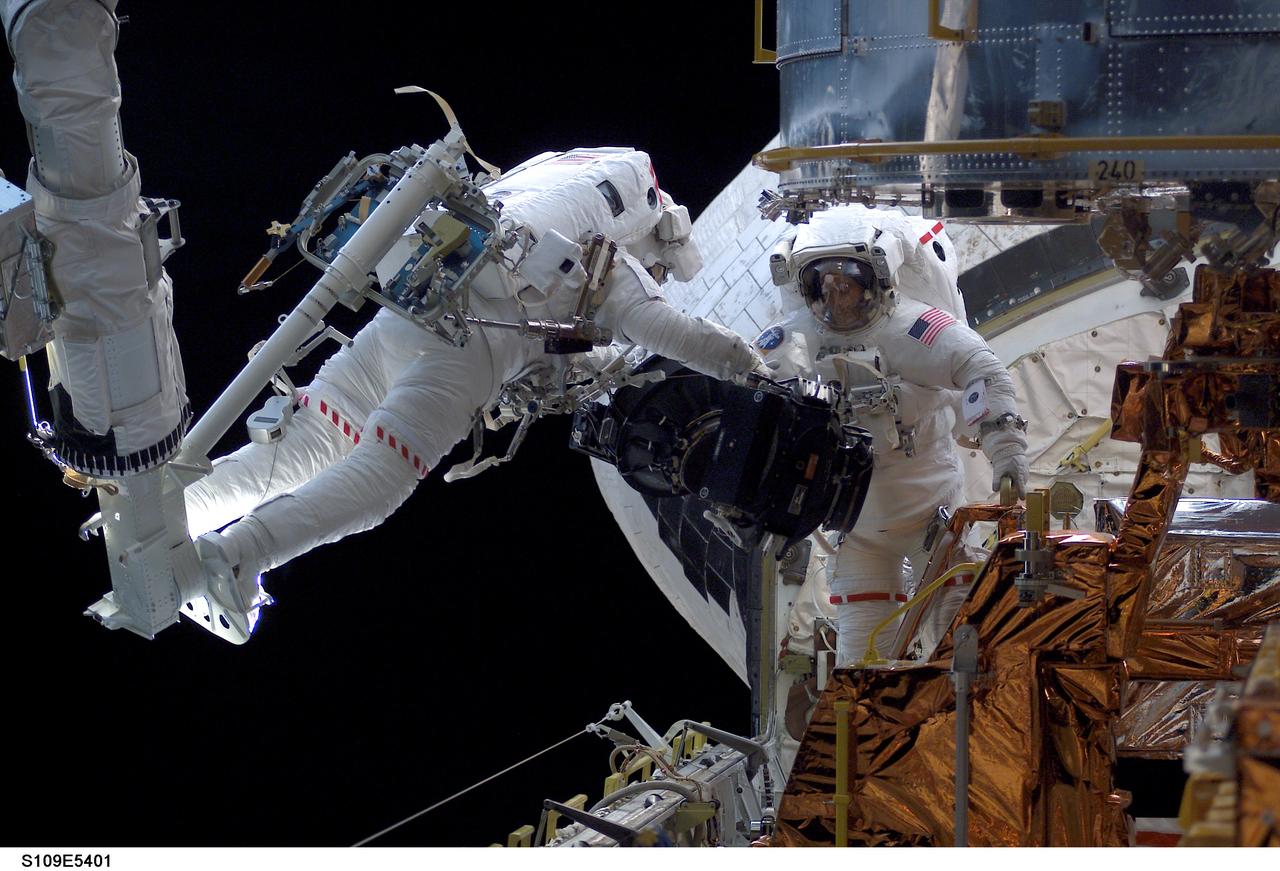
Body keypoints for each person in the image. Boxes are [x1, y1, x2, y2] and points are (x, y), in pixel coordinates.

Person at [182, 147, 760, 639]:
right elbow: (671, 332)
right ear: (658, 235)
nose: (655, 276)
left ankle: (177, 510)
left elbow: (562, 350)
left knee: (309, 441)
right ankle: (240, 555)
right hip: (458, 354)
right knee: (382, 477)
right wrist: (754, 370)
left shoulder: (547, 182)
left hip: (402, 319)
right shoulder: (616, 255)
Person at [757, 206, 1028, 666]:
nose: (837, 296)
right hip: (859, 532)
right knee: (862, 668)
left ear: (877, 279)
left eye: (847, 283)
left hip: (934, 521)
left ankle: (970, 726)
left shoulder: (917, 329)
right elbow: (754, 396)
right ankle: (876, 733)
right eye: (826, 285)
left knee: (962, 652)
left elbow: (984, 374)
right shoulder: (793, 339)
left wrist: (1006, 454)